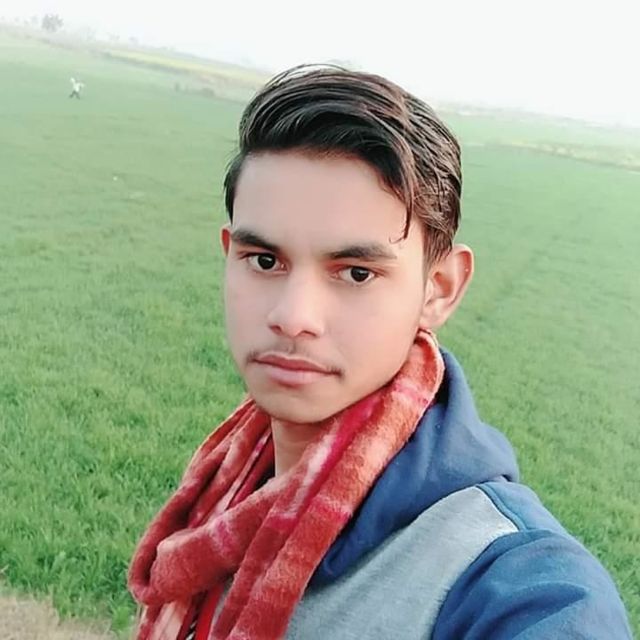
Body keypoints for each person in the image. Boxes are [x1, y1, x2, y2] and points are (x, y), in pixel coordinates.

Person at [128, 65, 632, 639]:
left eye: (356, 273)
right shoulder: (227, 486)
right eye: (264, 261)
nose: (293, 315)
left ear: (439, 289)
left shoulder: (520, 589)